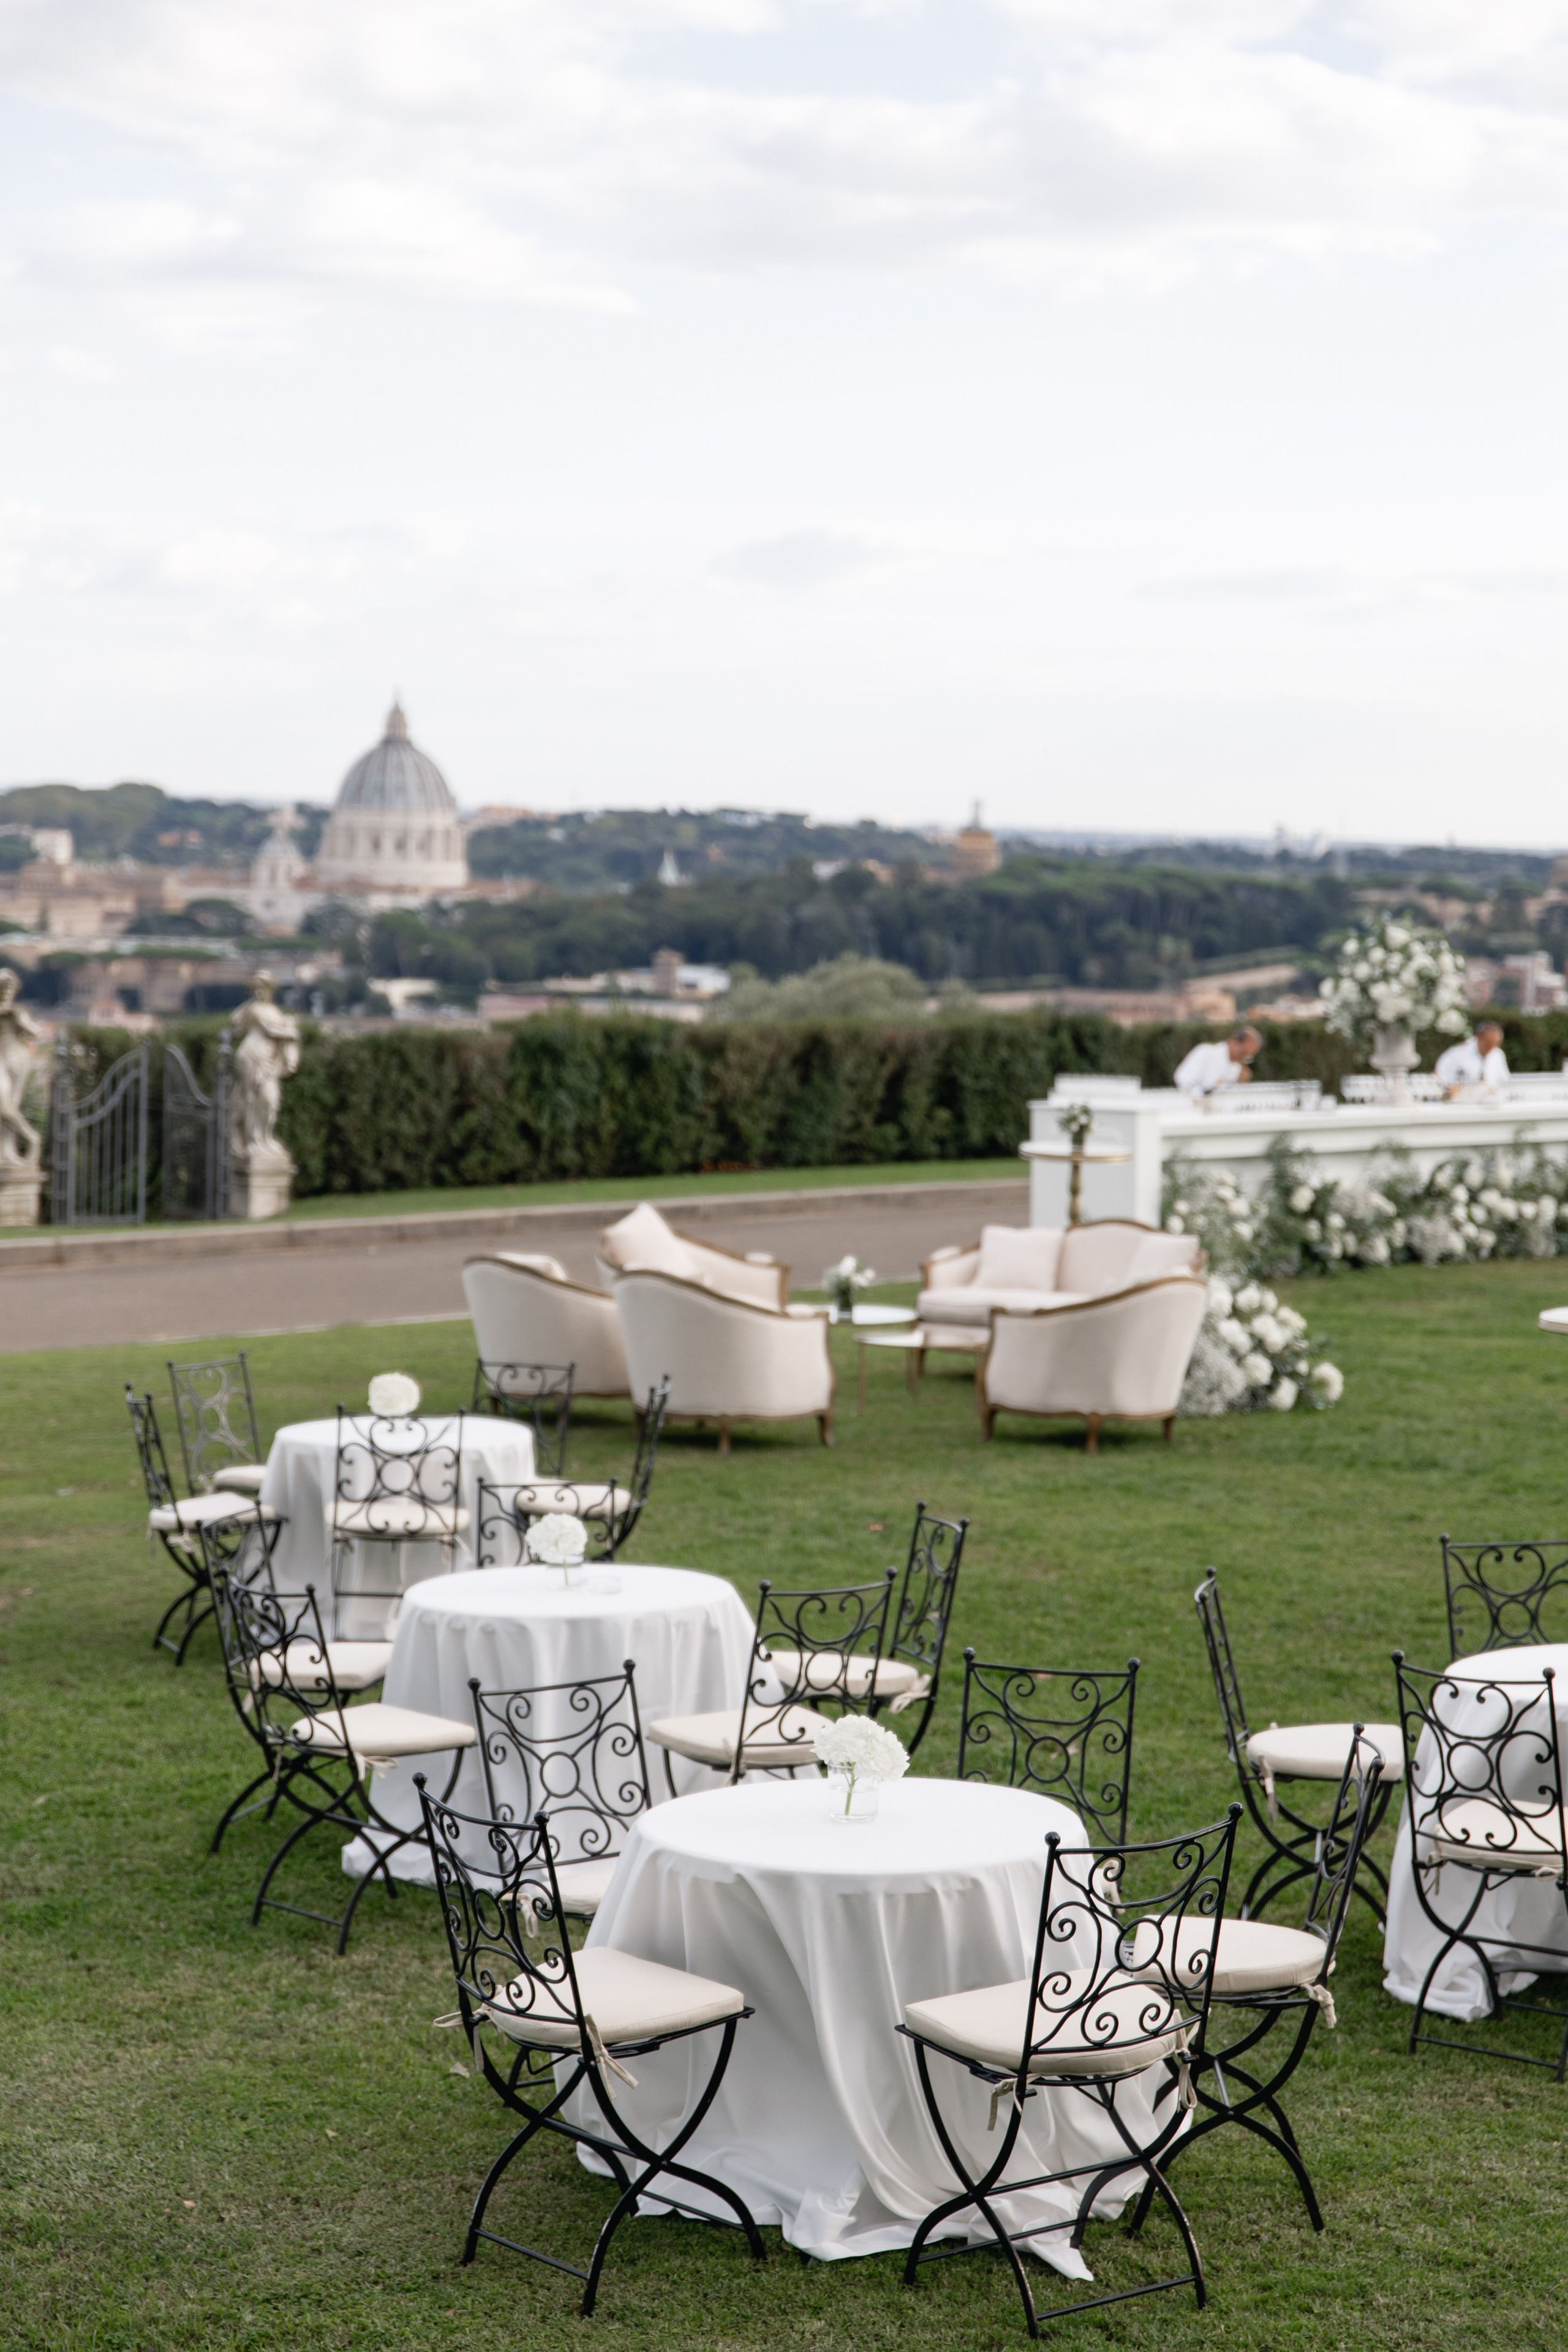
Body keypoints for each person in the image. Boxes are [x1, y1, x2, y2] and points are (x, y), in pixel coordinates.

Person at [1174, 1025, 1261, 1097]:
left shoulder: (1236, 1068)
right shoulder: (1206, 1053)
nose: (1243, 1059)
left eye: (1248, 1057)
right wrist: (1203, 1095)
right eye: (1243, 1053)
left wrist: (1239, 1084)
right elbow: (1183, 1081)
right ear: (1234, 1041)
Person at [1434, 1020, 1509, 1099]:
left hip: (1492, 1103)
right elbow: (1439, 1075)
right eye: (1488, 1043)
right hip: (1462, 1104)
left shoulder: (1498, 1054)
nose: (1491, 1048)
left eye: (1496, 1044)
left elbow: (1504, 1081)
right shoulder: (1458, 1053)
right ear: (1478, 1037)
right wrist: (1450, 1088)